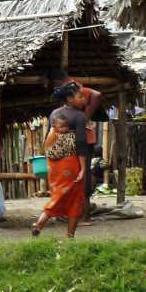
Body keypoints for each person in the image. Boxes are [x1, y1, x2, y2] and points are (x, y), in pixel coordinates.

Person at [48, 69, 102, 214]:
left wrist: (86, 114)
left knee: (81, 176)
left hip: (81, 142)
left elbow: (96, 94)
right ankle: (75, 212)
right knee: (76, 176)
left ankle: (83, 214)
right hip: (73, 144)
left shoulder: (73, 87)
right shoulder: (65, 106)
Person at [32, 102, 86, 238]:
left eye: (66, 126)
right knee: (65, 200)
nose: (64, 129)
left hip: (66, 174)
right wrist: (82, 168)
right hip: (66, 174)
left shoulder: (51, 138)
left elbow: (50, 154)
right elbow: (74, 150)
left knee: (67, 200)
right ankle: (39, 225)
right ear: (54, 126)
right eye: (61, 126)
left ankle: (69, 235)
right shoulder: (67, 137)